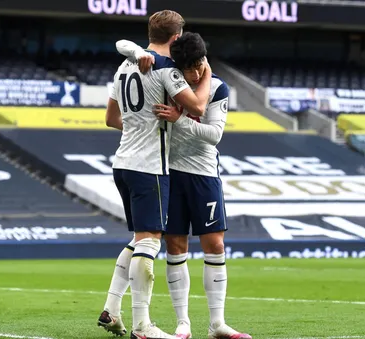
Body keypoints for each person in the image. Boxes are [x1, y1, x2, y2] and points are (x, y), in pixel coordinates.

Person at [110, 33, 253, 339]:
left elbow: (214, 134)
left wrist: (178, 119)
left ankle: (217, 324)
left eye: (199, 64)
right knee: (176, 246)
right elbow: (123, 45)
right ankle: (183, 324)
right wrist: (137, 51)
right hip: (169, 172)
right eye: (189, 67)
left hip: (204, 174)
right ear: (178, 65)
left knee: (215, 244)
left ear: (204, 60)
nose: (195, 72)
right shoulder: (166, 78)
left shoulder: (217, 86)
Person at [99, 10, 213, 339]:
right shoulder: (165, 70)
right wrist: (205, 72)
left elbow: (110, 117)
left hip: (122, 161)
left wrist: (140, 125)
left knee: (138, 240)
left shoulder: (124, 66)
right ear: (176, 38)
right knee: (150, 241)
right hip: (150, 166)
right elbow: (198, 108)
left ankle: (111, 309)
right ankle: (142, 326)